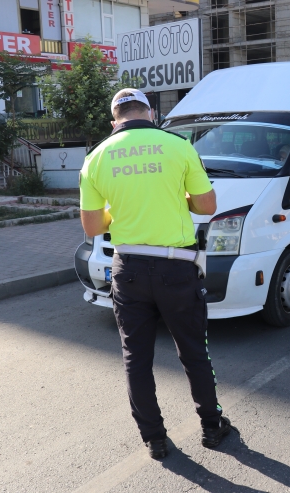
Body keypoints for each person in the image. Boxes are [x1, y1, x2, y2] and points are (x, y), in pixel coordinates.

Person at [78, 88, 231, 460]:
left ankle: (155, 439)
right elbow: (208, 206)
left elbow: (93, 226)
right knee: (194, 351)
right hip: (177, 267)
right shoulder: (178, 146)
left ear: (114, 120)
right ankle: (212, 427)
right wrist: (180, 199)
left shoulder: (95, 157)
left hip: (127, 268)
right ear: (150, 113)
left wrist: (119, 209)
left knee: (136, 357)